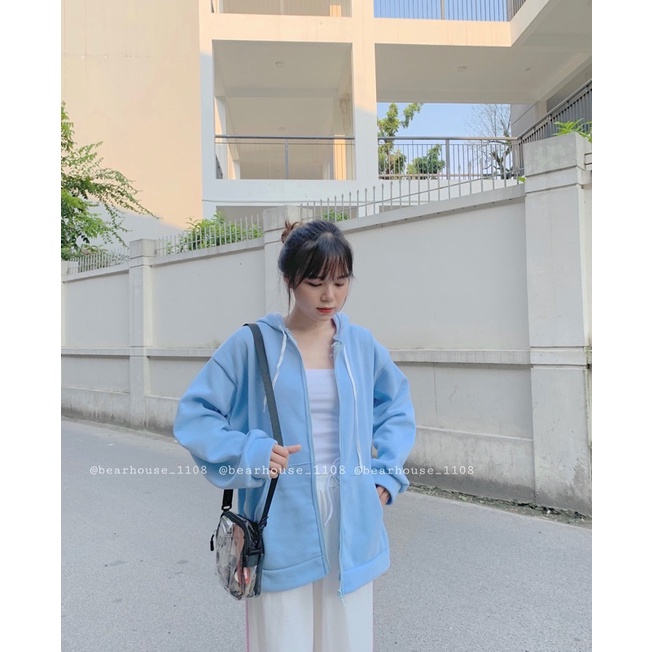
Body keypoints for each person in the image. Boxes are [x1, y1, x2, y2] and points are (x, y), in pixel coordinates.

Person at [173, 218, 416, 652]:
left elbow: (396, 404)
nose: (329, 296)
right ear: (289, 280)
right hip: (280, 517)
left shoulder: (360, 345)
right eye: (315, 283)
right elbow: (195, 414)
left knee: (347, 639)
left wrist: (386, 474)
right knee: (284, 639)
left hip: (352, 516)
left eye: (340, 282)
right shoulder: (253, 345)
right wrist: (250, 451)